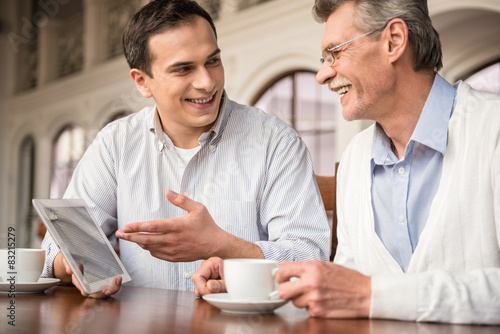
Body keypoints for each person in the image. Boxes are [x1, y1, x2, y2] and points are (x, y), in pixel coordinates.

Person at [192, 0, 500, 325]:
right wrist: (252, 280)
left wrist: (372, 295)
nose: (322, 75)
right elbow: (344, 285)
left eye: (335, 53)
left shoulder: (492, 131)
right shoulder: (356, 156)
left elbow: (360, 292)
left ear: (394, 41)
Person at [41, 0, 330, 298]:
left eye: (213, 61)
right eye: (183, 69)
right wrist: (81, 265)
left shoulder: (276, 142)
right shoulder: (115, 143)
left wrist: (223, 245)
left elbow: (312, 259)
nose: (207, 82)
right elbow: (55, 250)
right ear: (142, 82)